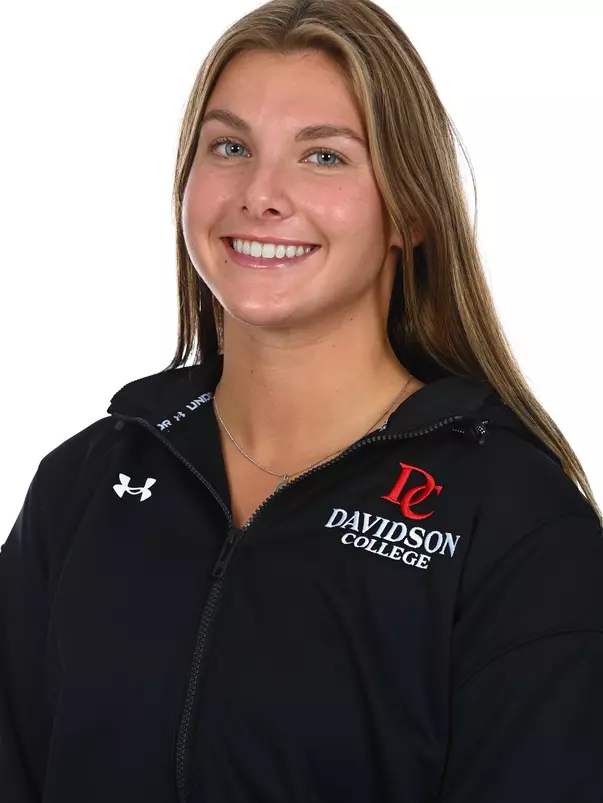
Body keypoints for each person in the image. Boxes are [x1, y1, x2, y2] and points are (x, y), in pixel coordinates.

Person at [2, 0, 603, 800]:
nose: (261, 193)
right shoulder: (86, 482)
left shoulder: (513, 520)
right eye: (228, 147)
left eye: (323, 157)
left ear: (410, 211)